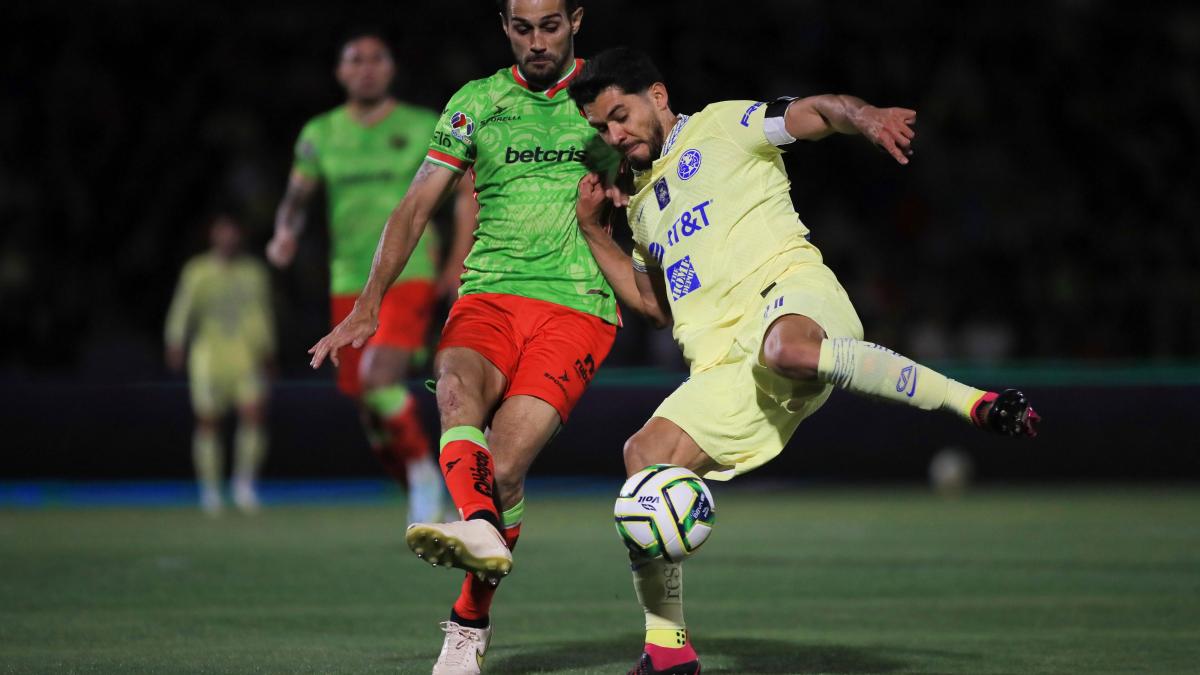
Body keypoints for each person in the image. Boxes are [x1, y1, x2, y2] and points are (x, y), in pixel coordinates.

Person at [568, 47, 1041, 675]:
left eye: (619, 115)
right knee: (642, 459)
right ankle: (668, 651)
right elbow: (654, 307)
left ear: (657, 95)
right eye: (602, 127)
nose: (614, 134)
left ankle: (973, 402)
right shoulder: (644, 206)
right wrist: (599, 233)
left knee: (785, 348)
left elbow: (814, 112)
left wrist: (864, 115)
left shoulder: (725, 124)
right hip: (723, 369)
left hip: (794, 299)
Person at [307, 2, 616, 672]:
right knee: (454, 389)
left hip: (578, 303)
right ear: (504, 26)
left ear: (577, 20)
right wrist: (369, 304)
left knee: (503, 468)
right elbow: (417, 204)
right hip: (489, 296)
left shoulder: (607, 96)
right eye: (522, 28)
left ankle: (469, 617)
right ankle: (476, 524)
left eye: (551, 27)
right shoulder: (477, 101)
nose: (537, 42)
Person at [268, 30, 454, 524]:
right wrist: (285, 232)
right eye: (355, 60)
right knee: (371, 410)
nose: (367, 67)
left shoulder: (421, 125)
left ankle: (425, 477)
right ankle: (420, 492)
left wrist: (456, 258)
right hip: (347, 281)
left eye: (376, 59)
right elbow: (295, 198)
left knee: (378, 379)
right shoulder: (320, 133)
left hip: (408, 272)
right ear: (341, 72)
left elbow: (466, 190)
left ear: (391, 69)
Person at [165, 214, 275, 516]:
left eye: (232, 232)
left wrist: (268, 350)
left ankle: (244, 485)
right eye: (221, 232)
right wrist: (175, 340)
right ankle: (210, 490)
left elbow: (262, 313)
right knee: (208, 420)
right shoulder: (197, 271)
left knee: (253, 415)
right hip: (209, 356)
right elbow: (182, 309)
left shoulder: (253, 273)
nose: (227, 238)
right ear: (213, 235)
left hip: (246, 355)